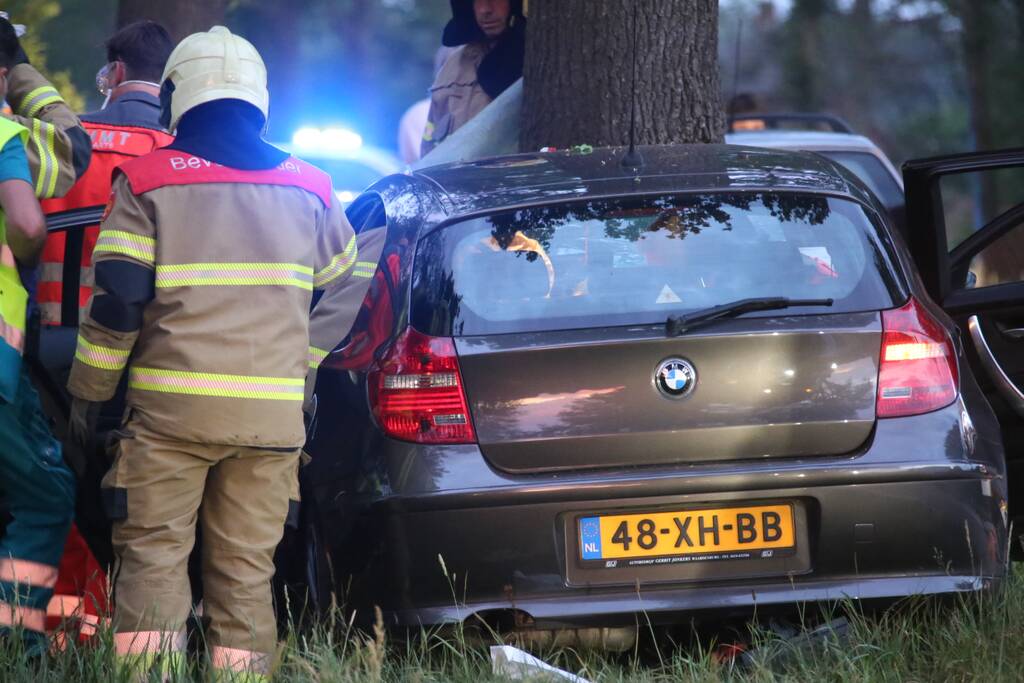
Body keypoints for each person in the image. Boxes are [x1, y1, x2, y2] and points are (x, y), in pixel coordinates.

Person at [66, 26, 371, 680]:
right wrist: (305, 359)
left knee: (152, 562)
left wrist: (87, 401)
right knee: (244, 576)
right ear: (258, 98)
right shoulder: (313, 189)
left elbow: (115, 308)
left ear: (177, 95)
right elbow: (352, 277)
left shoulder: (146, 181)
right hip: (270, 427)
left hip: (170, 423)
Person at [0, 16, 81, 653]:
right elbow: (70, 152)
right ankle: (15, 648)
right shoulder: (5, 132)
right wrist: (23, 78)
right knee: (46, 493)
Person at [39, 20, 175, 327]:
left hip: (47, 324)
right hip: (129, 329)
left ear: (117, 72)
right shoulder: (172, 151)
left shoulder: (65, 140)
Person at [420, 0, 526, 157]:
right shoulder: (452, 67)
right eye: (476, 0)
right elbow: (428, 150)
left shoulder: (537, 62)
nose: (485, 9)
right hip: (453, 180)